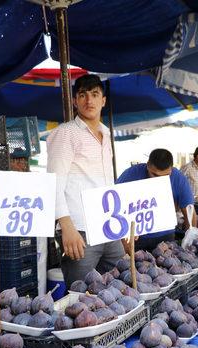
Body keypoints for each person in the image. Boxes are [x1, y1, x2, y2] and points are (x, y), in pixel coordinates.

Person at [47, 74, 125, 284]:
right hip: (79, 229)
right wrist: (66, 227)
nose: (89, 101)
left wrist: (123, 221)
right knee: (82, 297)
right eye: (82, 95)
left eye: (94, 94)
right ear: (74, 101)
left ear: (103, 100)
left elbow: (107, 182)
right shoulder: (66, 133)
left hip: (108, 225)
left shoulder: (106, 134)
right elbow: (54, 183)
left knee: (120, 286)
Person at [116, 149, 196, 251]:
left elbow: (189, 211)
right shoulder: (131, 174)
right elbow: (116, 203)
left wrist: (191, 241)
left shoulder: (178, 177)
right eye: (154, 174)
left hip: (166, 236)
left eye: (165, 176)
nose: (159, 180)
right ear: (148, 165)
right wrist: (122, 238)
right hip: (135, 238)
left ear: (171, 168)